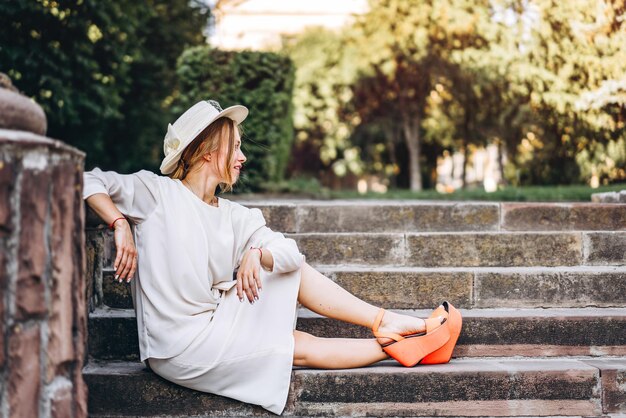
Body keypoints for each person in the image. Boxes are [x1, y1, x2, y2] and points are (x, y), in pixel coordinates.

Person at [83, 100, 461, 415]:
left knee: (286, 275)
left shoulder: (234, 215)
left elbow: (291, 254)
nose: (243, 157)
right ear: (208, 150)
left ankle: (393, 330)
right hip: (176, 347)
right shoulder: (156, 194)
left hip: (217, 320)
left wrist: (256, 252)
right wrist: (119, 222)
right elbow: (89, 179)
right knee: (290, 345)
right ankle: (402, 335)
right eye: (236, 147)